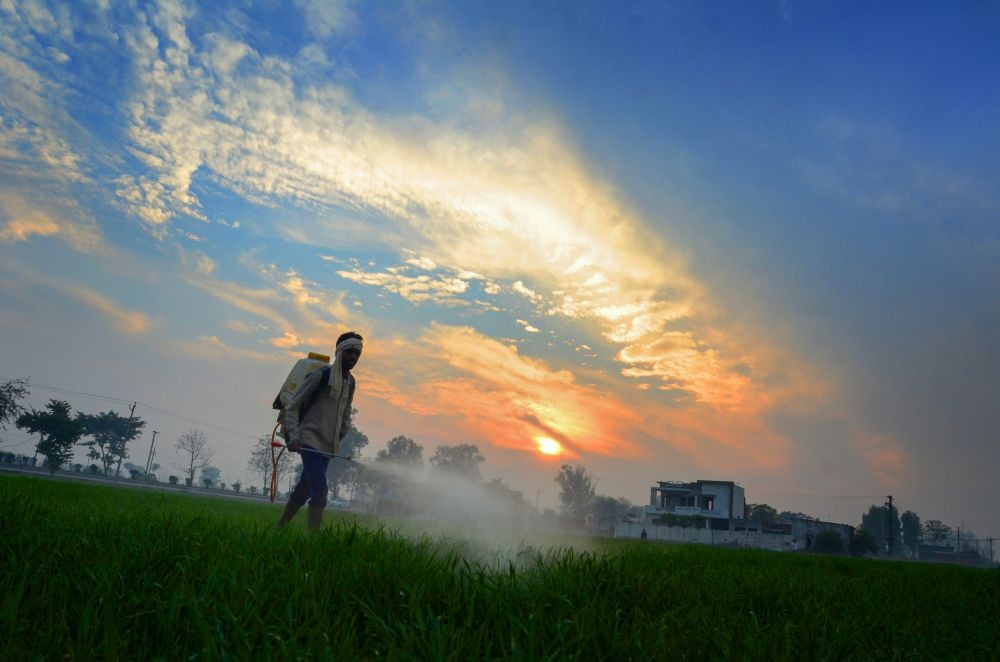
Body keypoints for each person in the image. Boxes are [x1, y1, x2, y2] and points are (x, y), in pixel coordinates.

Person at [276, 331, 363, 531]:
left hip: (327, 443)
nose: (353, 357)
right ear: (339, 352)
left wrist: (341, 433)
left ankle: (280, 528)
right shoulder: (320, 376)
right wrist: (295, 437)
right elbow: (294, 406)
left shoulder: (351, 383)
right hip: (308, 439)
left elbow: (346, 411)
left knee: (305, 488)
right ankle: (313, 538)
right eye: (349, 352)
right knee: (320, 490)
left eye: (357, 354)